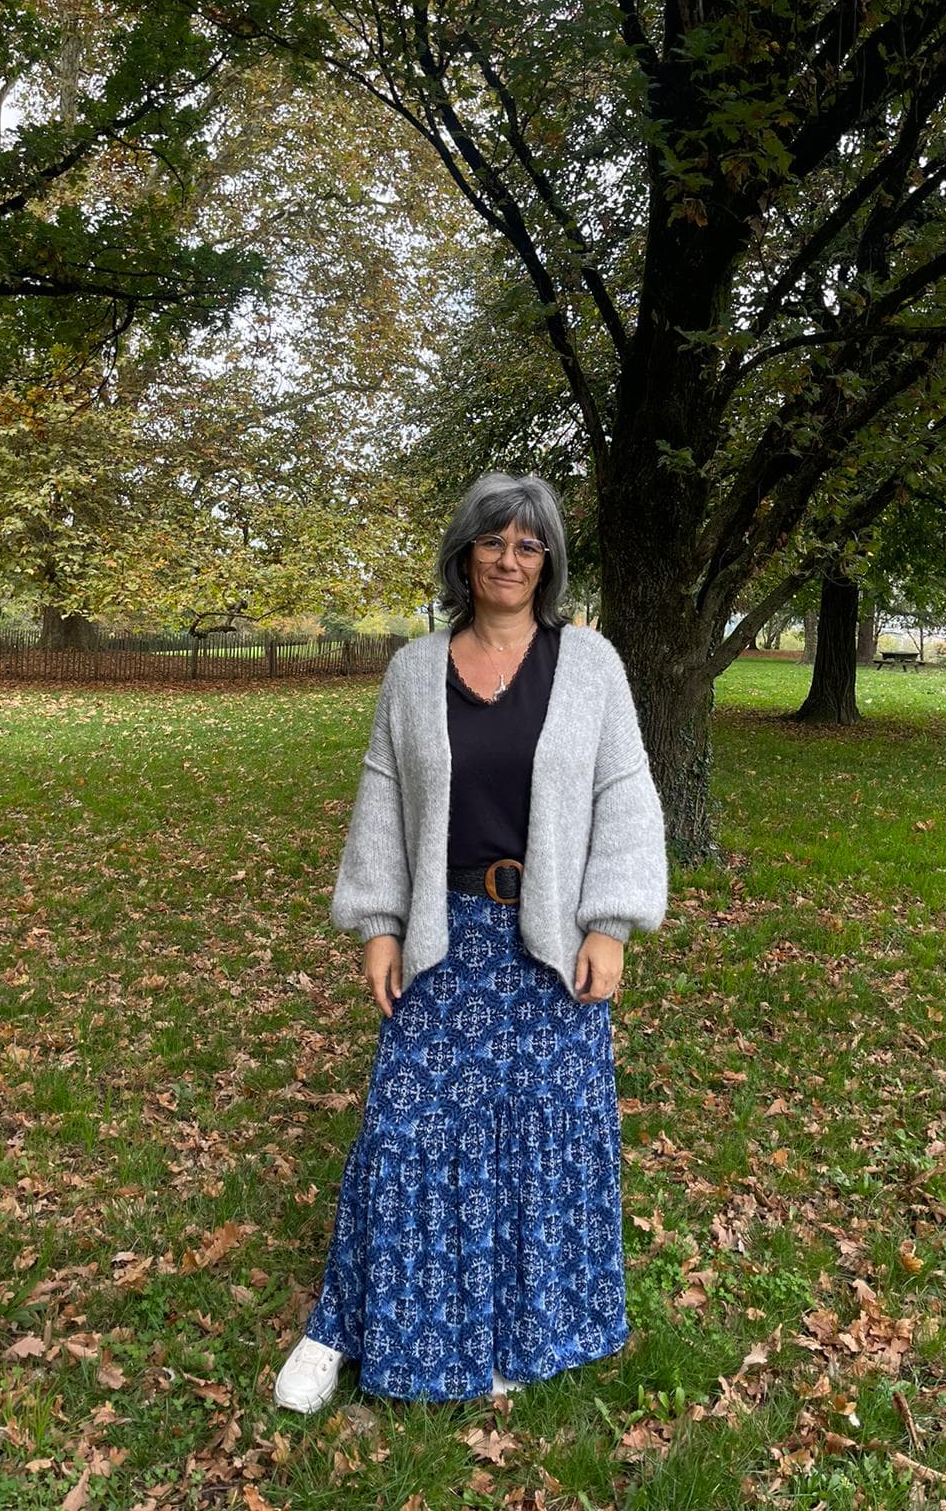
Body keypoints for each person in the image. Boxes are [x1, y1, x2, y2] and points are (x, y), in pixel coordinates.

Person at [273, 472, 667, 1410]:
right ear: (465, 551)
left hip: (551, 941)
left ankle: (514, 1333)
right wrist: (378, 923)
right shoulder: (414, 670)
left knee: (541, 1140)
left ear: (549, 563)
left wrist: (610, 923)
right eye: (494, 540)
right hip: (445, 936)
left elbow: (626, 795)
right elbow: (383, 797)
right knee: (404, 1134)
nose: (510, 559)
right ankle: (342, 1328)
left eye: (530, 545)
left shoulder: (590, 665)